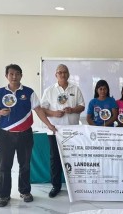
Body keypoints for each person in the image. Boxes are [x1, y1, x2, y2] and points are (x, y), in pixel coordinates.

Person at [0, 64, 57, 207]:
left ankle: (25, 191)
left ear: (21, 75)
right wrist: (0, 113)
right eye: (11, 74)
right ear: (6, 76)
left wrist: (49, 125)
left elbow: (38, 110)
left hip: (25, 134)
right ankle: (4, 195)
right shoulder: (0, 93)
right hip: (5, 135)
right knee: (4, 166)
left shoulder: (29, 92)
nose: (14, 77)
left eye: (17, 74)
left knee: (25, 165)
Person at [41, 64, 85, 198]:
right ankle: (56, 186)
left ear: (68, 74)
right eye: (59, 72)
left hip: (72, 131)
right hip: (55, 130)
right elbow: (42, 109)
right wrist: (54, 113)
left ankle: (75, 186)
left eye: (65, 72)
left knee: (73, 158)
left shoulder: (75, 89)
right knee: (55, 159)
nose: (62, 74)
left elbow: (82, 106)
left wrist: (72, 110)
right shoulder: (49, 90)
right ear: (56, 75)